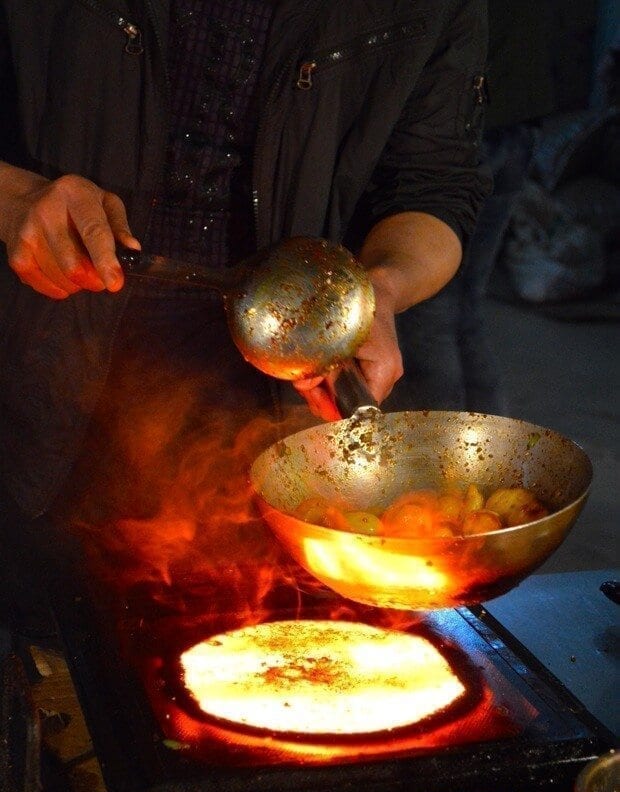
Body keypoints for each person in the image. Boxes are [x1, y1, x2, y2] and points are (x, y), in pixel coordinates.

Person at [0, 1, 491, 632]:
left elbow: (434, 186)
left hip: (272, 400)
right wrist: (13, 196)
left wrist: (381, 290)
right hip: (34, 362)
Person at [384, 0, 561, 415]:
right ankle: (487, 449)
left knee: (425, 314)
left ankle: (442, 466)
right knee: (464, 309)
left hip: (465, 134)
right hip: (516, 120)